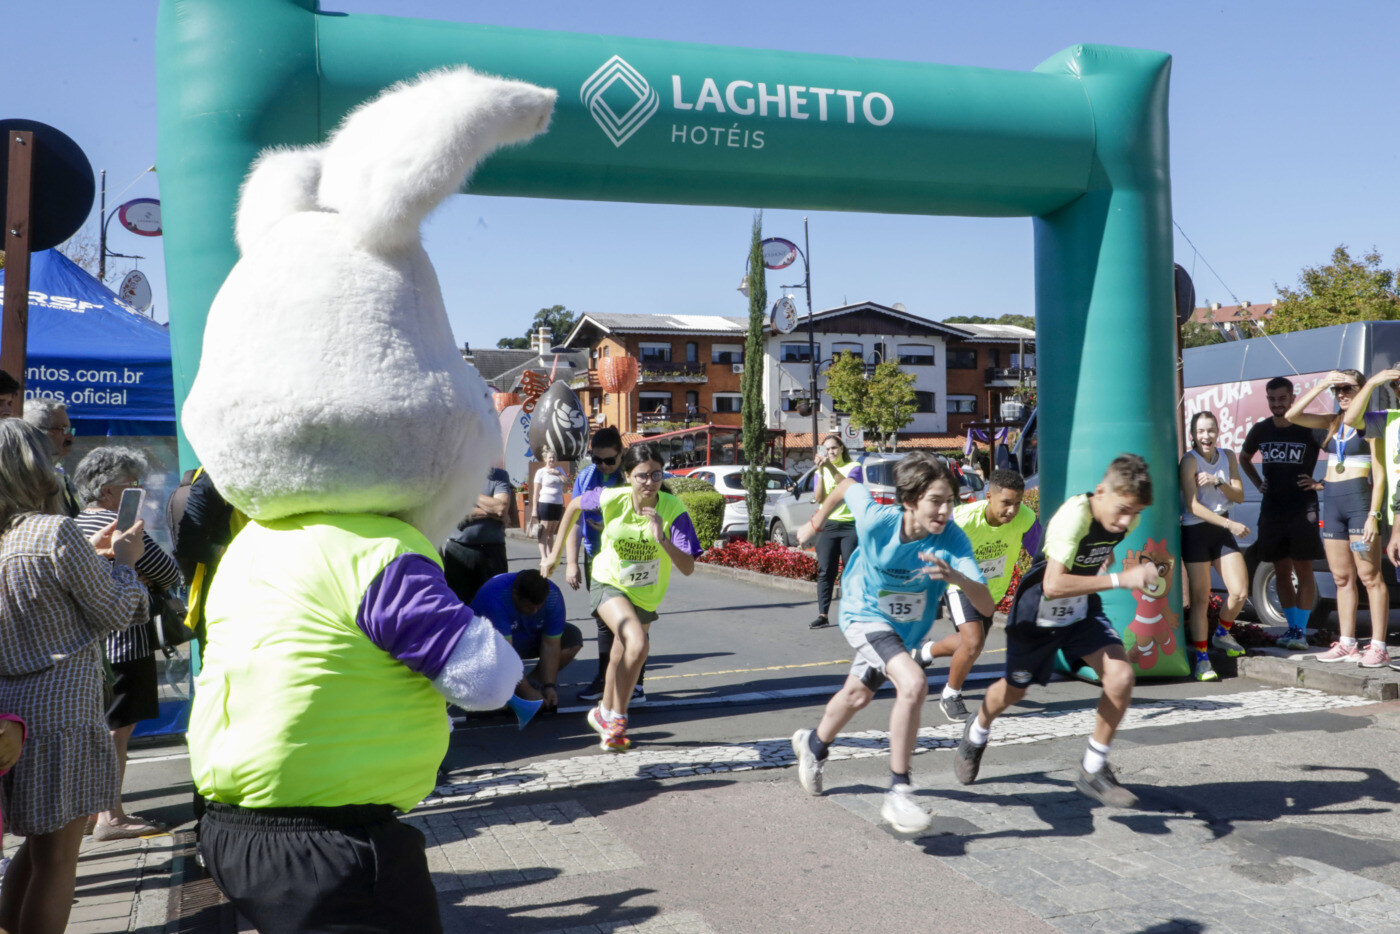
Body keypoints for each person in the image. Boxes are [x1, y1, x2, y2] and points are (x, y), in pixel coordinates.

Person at [0, 419, 148, 933]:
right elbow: (115, 611)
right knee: (58, 861)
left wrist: (98, 555)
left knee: (36, 853)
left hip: (11, 713)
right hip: (62, 707)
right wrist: (126, 561)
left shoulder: (8, 537)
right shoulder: (51, 530)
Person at [792, 453, 992, 834]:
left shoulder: (951, 537)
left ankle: (813, 744)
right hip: (862, 613)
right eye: (936, 500)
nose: (945, 510)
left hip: (903, 632)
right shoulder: (876, 521)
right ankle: (899, 789)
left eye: (950, 500)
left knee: (857, 696)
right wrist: (814, 523)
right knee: (913, 682)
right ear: (909, 501)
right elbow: (847, 485)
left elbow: (986, 605)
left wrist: (958, 579)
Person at [952, 454, 1157, 809]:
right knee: (1014, 691)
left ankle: (1093, 767)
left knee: (1121, 676)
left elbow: (1101, 549)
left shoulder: (1128, 519)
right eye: (1122, 509)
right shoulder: (1073, 516)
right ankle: (977, 729)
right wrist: (1120, 578)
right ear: (1100, 492)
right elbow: (1053, 584)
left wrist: (1104, 559)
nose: (1126, 520)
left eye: (1134, 512)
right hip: (1038, 611)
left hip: (1081, 609)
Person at [544, 443, 702, 752]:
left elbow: (688, 567)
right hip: (609, 580)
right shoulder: (612, 497)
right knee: (638, 643)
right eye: (642, 475)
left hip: (645, 594)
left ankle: (603, 713)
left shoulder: (673, 509)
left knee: (620, 653)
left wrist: (662, 538)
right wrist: (555, 554)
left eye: (656, 474)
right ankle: (618, 718)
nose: (650, 482)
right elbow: (574, 505)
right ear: (628, 476)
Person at [72, 446, 184, 841]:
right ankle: (111, 816)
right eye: (131, 487)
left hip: (88, 647)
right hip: (125, 643)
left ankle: (89, 812)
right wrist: (139, 572)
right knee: (116, 732)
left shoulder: (73, 525)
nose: (140, 493)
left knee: (99, 729)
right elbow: (168, 571)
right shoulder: (122, 527)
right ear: (106, 492)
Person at [911, 469, 1042, 720]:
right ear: (989, 496)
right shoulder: (962, 519)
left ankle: (926, 652)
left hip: (992, 590)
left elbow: (1040, 554)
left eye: (1017, 503)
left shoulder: (1024, 517)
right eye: (1006, 503)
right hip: (960, 585)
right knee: (972, 643)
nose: (1012, 511)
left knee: (970, 643)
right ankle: (951, 694)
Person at [1279, 371, 1389, 666]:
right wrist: (1322, 385)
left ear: (1362, 389)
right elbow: (1292, 414)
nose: (1341, 394)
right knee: (1342, 578)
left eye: (1347, 388)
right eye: (1337, 389)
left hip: (1358, 507)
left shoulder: (1372, 421)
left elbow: (1379, 476)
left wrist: (1372, 516)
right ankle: (1347, 642)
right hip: (1333, 508)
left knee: (1370, 577)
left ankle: (1378, 646)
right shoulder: (1331, 422)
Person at [1239, 377, 1326, 651]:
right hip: (1272, 509)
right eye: (1272, 399)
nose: (1277, 404)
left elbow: (1344, 456)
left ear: (1292, 398)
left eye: (1282, 399)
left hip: (1303, 508)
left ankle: (1300, 631)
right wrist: (1257, 482)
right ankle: (1291, 629)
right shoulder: (1261, 430)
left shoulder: (1309, 429)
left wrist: (1320, 483)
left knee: (1304, 569)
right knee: (1281, 570)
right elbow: (1244, 456)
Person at [1178, 412, 1250, 681]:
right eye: (1200, 432)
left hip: (1221, 529)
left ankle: (1221, 633)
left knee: (1240, 592)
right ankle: (1202, 659)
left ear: (1218, 431)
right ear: (1193, 436)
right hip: (1195, 531)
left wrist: (1218, 481)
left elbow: (1240, 496)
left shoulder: (1228, 456)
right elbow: (1193, 505)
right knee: (1199, 600)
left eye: (1210, 431)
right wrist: (1229, 525)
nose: (1206, 436)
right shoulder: (1188, 461)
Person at [566, 427, 632, 704]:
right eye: (597, 460)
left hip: (628, 557)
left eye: (609, 460)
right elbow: (573, 521)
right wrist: (571, 562)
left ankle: (633, 682)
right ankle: (605, 678)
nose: (603, 466)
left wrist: (611, 525)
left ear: (622, 454)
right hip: (595, 557)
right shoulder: (585, 477)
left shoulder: (631, 476)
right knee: (603, 622)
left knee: (631, 621)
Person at [470, 569, 581, 712]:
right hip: (490, 647)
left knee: (571, 637)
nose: (534, 611)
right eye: (529, 607)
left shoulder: (553, 597)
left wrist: (549, 686)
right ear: (515, 595)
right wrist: (527, 692)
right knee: (501, 699)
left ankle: (530, 685)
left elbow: (551, 644)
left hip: (525, 638)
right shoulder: (494, 597)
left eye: (538, 607)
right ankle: (506, 689)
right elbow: (505, 653)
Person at [809, 434, 864, 630]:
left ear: (841, 448)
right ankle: (823, 614)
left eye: (834, 448)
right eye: (827, 449)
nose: (830, 452)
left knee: (851, 571)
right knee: (826, 571)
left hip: (850, 525)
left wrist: (830, 467)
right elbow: (818, 497)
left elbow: (847, 487)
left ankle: (855, 614)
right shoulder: (822, 469)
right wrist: (821, 472)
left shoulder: (854, 468)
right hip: (828, 526)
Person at [441, 464, 512, 604]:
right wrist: (491, 511)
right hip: (459, 551)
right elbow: (454, 513)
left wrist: (470, 493)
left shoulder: (499, 475)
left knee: (496, 602)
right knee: (460, 604)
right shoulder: (455, 476)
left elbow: (501, 508)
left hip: (493, 552)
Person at [21, 399, 79, 518]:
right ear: (38, 432)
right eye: (64, 429)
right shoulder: (25, 478)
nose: (71, 438)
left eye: (70, 429)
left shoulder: (59, 475)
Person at [532, 447, 568, 564]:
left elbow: (567, 482)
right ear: (545, 459)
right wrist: (534, 509)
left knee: (552, 532)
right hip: (545, 503)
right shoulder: (541, 472)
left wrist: (558, 474)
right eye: (549, 458)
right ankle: (543, 557)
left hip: (557, 503)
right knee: (544, 531)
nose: (551, 459)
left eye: (553, 457)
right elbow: (536, 492)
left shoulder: (559, 470)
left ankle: (551, 556)